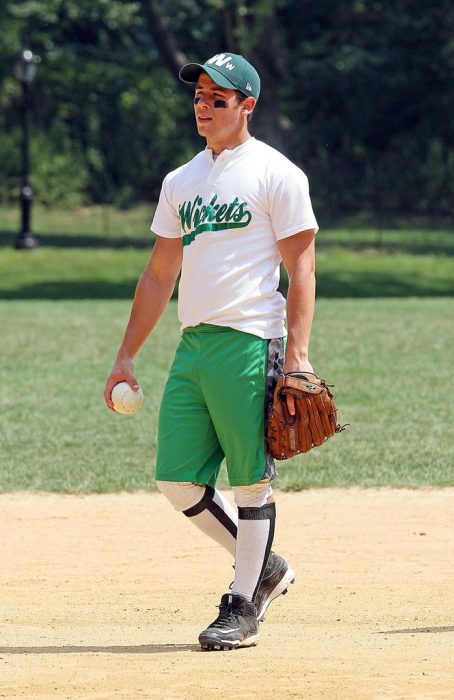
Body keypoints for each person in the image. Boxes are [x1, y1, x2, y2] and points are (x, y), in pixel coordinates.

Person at [104, 52, 319, 651]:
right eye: (198, 95)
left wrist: (296, 355)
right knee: (177, 480)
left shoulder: (277, 173)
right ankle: (265, 566)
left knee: (251, 482)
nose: (203, 105)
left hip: (251, 340)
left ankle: (242, 604)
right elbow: (157, 274)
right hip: (194, 344)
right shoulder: (183, 181)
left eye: (217, 98)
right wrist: (126, 356)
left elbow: (300, 265)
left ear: (246, 106)